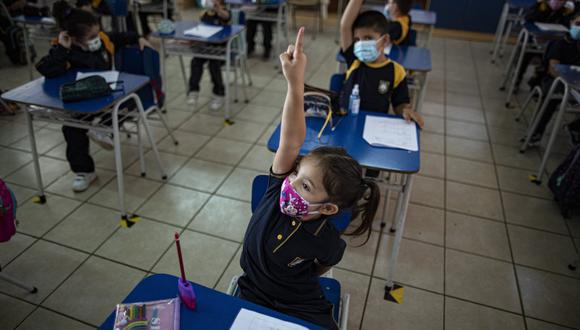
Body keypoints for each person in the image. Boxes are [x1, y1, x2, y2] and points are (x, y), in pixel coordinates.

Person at [238, 27, 381, 330]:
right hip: (252, 290)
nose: (291, 182)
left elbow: (325, 263)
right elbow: (290, 141)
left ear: (328, 209)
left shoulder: (324, 236)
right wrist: (295, 83)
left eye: (305, 185)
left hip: (299, 302)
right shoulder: (278, 189)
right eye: (295, 173)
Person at [35, 0, 151, 192]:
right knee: (71, 129)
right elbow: (46, 69)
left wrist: (138, 37)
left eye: (98, 33)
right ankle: (84, 171)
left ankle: (104, 129)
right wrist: (62, 49)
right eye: (92, 36)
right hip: (81, 99)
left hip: (107, 96)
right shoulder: (64, 50)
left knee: (127, 104)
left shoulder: (104, 40)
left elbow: (123, 36)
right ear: (74, 39)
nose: (98, 37)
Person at [339, 0, 424, 127]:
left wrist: (406, 110)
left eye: (368, 38)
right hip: (346, 124)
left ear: (385, 40)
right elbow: (345, 26)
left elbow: (400, 103)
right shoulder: (355, 61)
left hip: (374, 128)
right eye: (357, 39)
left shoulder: (397, 71)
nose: (361, 44)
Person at [526, 14, 580, 146]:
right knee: (553, 96)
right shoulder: (559, 42)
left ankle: (575, 128)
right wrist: (570, 82)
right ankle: (536, 132)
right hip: (557, 80)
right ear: (571, 23)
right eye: (578, 24)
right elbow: (553, 69)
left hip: (577, 84)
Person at [513, 0, 576, 92]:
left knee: (550, 59)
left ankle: (537, 83)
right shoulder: (541, 5)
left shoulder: (567, 9)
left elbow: (567, 26)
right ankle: (517, 79)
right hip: (534, 39)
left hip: (554, 41)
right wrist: (541, 7)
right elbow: (528, 19)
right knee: (526, 55)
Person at [186, 0, 230, 110]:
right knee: (195, 62)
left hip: (221, 48)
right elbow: (201, 30)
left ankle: (219, 93)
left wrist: (218, 9)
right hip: (205, 47)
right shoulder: (204, 14)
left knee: (214, 64)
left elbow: (226, 16)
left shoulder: (224, 12)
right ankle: (193, 91)